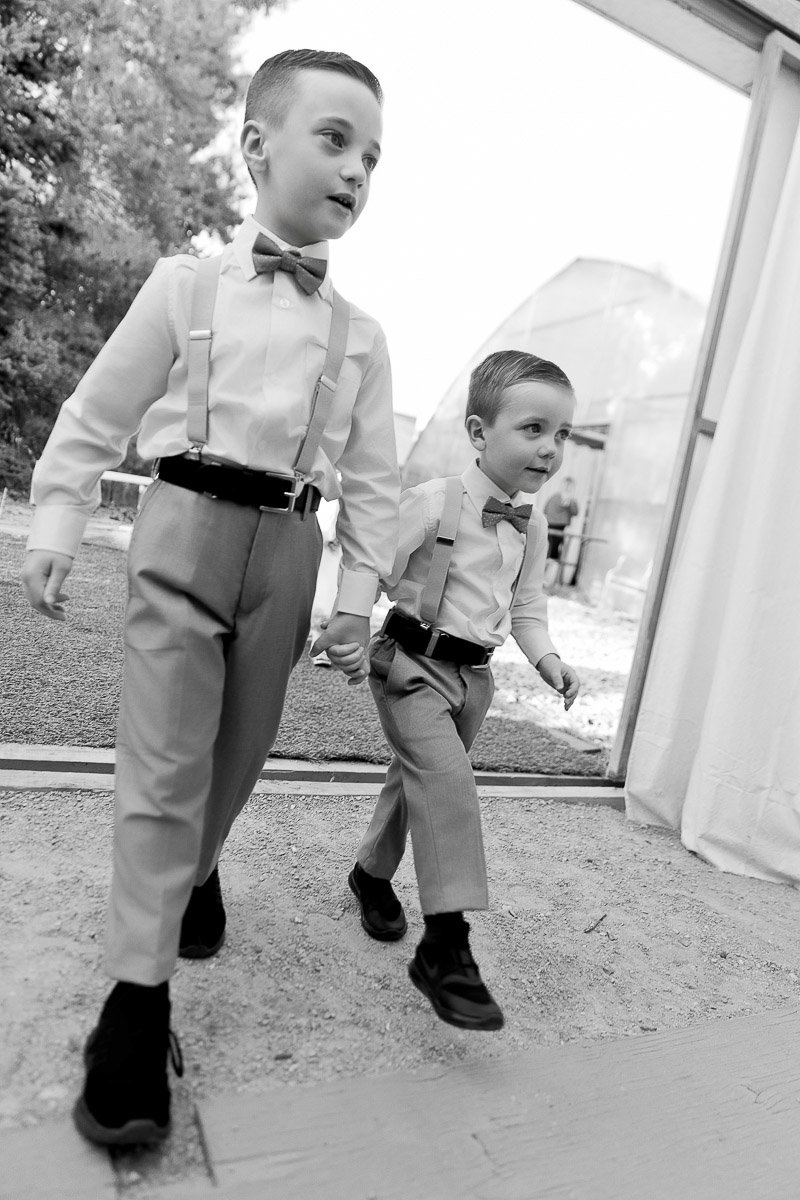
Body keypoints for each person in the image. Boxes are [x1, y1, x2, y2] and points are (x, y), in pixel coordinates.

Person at [20, 49, 399, 1146]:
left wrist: (352, 595)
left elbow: (371, 485)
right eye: (334, 140)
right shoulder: (182, 287)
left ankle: (203, 865)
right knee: (163, 760)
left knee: (235, 755)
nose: (356, 171)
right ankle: (134, 1001)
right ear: (256, 147)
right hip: (180, 526)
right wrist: (55, 514)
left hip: (287, 542)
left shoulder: (361, 337)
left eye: (372, 157)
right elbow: (96, 413)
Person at [333, 350, 580, 1032]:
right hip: (411, 663)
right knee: (446, 783)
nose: (550, 448)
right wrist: (347, 630)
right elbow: (373, 564)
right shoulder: (432, 501)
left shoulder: (528, 527)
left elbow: (527, 607)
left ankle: (371, 874)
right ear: (479, 432)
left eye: (560, 435)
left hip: (475, 678)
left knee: (416, 780)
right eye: (533, 429)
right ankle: (446, 944)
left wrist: (549, 660)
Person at [543, 475, 579, 561]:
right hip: (553, 526)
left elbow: (575, 512)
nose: (567, 487)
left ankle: (552, 561)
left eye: (569, 486)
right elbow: (546, 510)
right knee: (552, 549)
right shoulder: (555, 498)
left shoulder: (571, 500)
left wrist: (569, 503)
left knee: (555, 549)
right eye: (565, 485)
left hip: (560, 527)